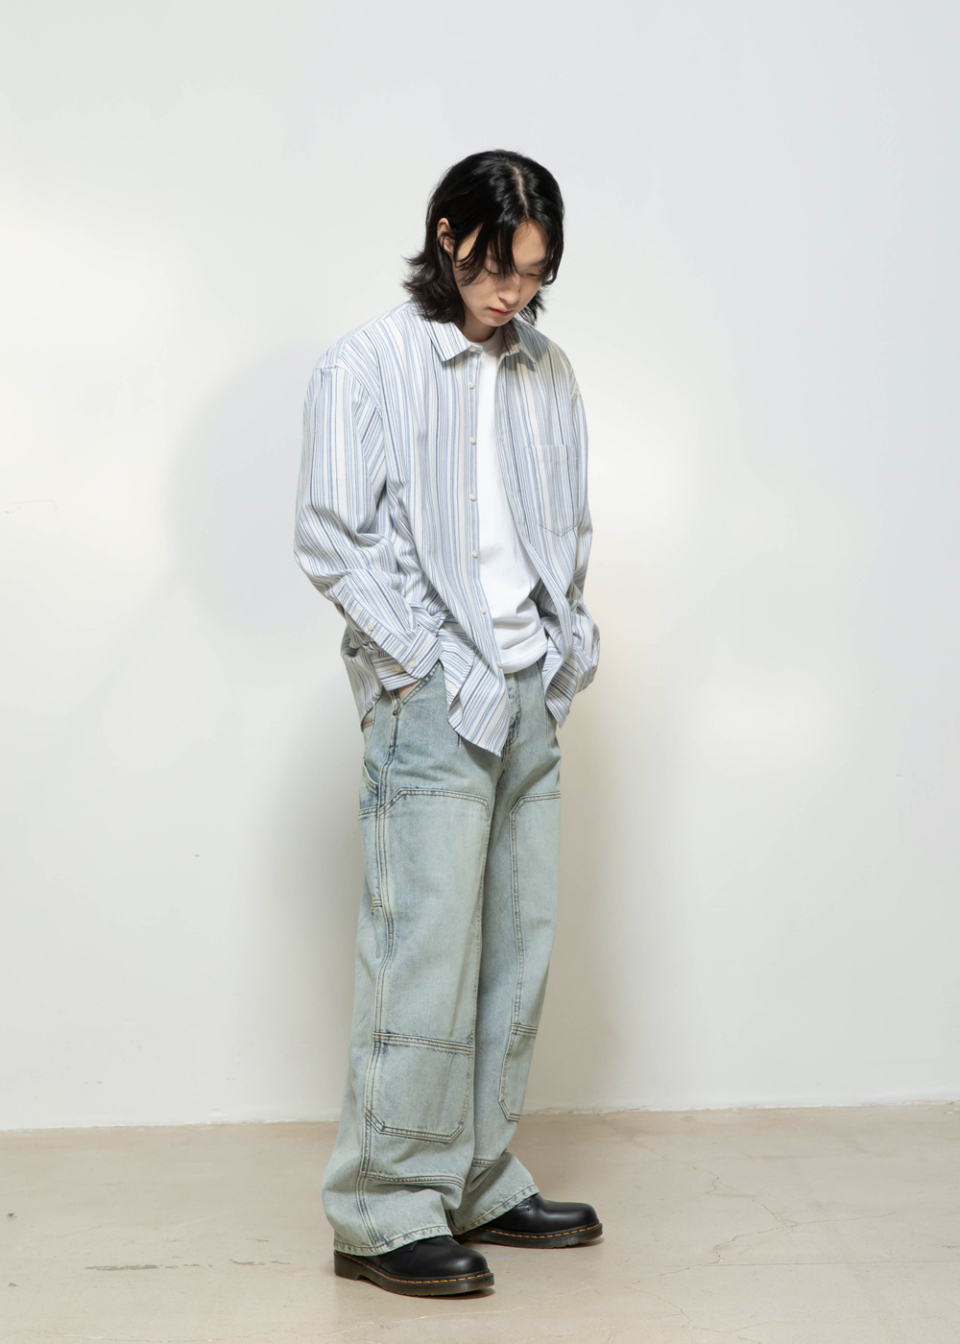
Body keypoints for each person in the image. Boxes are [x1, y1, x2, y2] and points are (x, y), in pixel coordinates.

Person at [294, 149, 601, 1297]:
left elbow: (565, 526)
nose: (512, 291)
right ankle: (382, 1209)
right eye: (497, 265)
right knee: (419, 956)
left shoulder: (548, 372)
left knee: (518, 952)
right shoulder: (367, 364)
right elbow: (330, 535)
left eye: (534, 273)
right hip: (433, 699)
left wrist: (564, 652)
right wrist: (418, 666)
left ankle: (476, 1176)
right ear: (446, 235)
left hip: (527, 694)